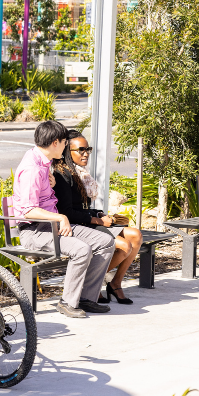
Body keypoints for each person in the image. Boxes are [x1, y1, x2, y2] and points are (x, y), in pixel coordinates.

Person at [12, 120, 115, 319]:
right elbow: (27, 210)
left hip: (49, 226)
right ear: (55, 143)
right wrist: (60, 217)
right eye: (65, 143)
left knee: (105, 242)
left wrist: (48, 181)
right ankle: (68, 302)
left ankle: (85, 297)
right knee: (81, 249)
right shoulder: (32, 169)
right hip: (35, 231)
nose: (67, 147)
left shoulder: (41, 161)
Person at [51, 130, 143, 305]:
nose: (86, 153)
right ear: (66, 152)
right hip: (75, 226)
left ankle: (115, 283)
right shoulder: (62, 175)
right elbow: (67, 213)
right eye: (81, 150)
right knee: (124, 246)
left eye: (88, 149)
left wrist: (98, 214)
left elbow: (82, 208)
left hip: (87, 221)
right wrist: (98, 221)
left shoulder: (80, 174)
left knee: (136, 235)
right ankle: (90, 284)